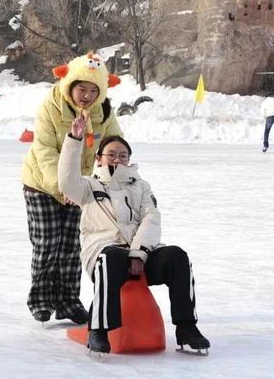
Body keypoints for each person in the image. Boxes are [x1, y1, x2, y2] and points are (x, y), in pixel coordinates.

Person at [58, 121, 211, 355]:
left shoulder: (142, 186)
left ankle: (186, 327)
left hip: (142, 252)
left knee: (177, 256)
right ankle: (99, 330)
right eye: (111, 155)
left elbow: (151, 218)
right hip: (104, 253)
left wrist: (139, 253)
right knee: (111, 257)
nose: (117, 159)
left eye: (123, 155)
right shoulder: (87, 186)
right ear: (99, 159)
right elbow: (66, 180)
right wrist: (74, 140)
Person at [21, 52, 122, 324]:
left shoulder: (103, 111)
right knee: (47, 244)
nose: (87, 95)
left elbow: (114, 142)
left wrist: (113, 172)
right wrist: (60, 186)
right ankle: (41, 300)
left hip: (79, 186)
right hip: (42, 184)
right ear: (70, 85)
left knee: (71, 245)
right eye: (82, 89)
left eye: (93, 90)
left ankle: (68, 302)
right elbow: (44, 149)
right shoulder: (51, 106)